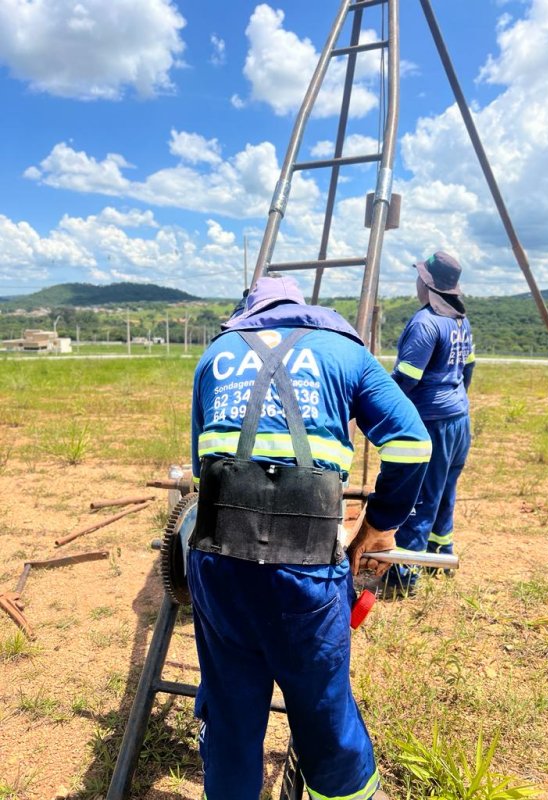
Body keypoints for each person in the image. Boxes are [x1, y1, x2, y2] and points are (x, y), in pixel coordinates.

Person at [188, 275, 431, 800]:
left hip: (220, 563)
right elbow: (412, 445)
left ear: (250, 311)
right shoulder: (345, 353)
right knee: (324, 714)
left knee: (229, 714)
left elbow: (202, 475)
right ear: (303, 309)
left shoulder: (214, 357)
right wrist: (379, 525)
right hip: (306, 570)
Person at [390, 251, 475, 591]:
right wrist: (456, 399)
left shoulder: (424, 323)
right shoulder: (460, 319)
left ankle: (404, 575)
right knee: (445, 490)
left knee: (421, 496)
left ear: (426, 283)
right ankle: (440, 553)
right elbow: (468, 368)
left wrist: (381, 408)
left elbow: (406, 379)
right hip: (458, 419)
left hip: (433, 423)